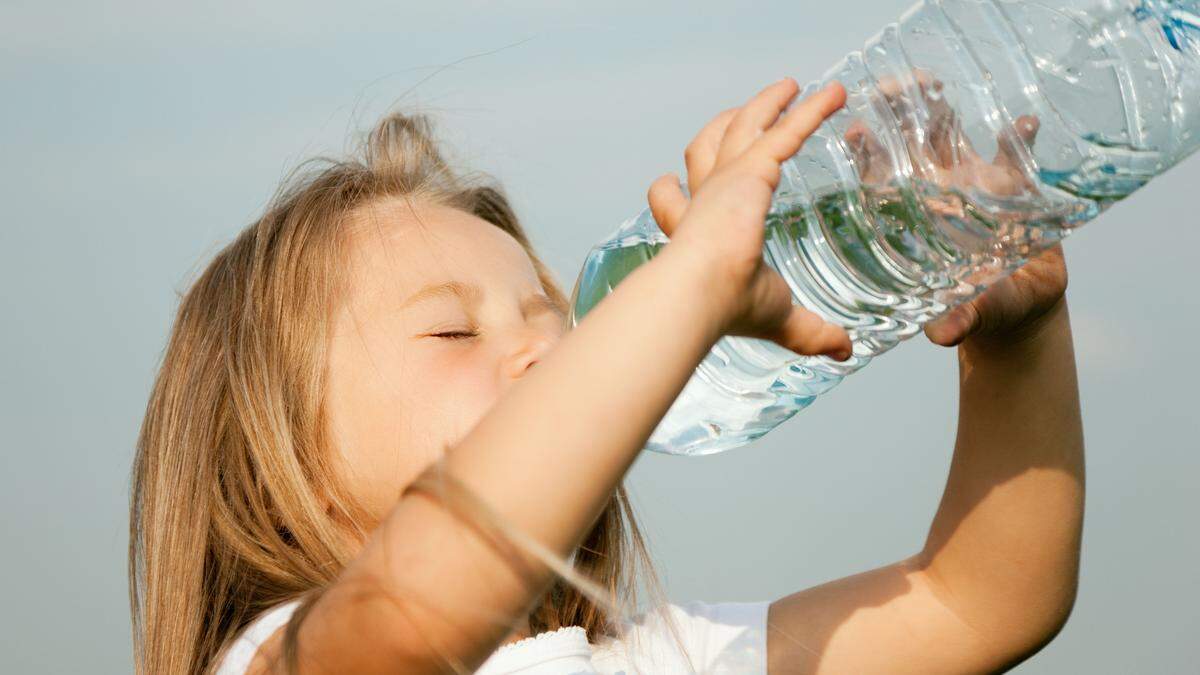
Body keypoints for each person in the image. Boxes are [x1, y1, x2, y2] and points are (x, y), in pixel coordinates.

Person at [129, 77, 1083, 674]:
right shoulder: (283, 658)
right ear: (275, 463)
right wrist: (699, 275)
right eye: (454, 331)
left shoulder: (661, 658)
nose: (552, 352)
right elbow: (408, 618)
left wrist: (1019, 339)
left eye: (558, 320)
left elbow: (976, 603)